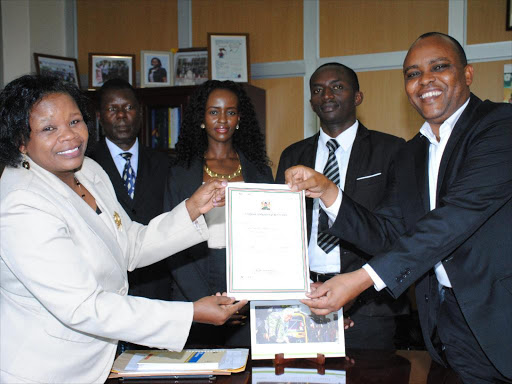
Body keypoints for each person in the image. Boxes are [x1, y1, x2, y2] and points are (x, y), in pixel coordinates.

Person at [286, 32, 512, 383]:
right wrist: (330, 193)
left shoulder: (500, 126)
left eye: (439, 67)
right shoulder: (410, 154)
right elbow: (388, 232)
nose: (425, 81)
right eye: (412, 73)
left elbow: (453, 219)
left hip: (500, 316)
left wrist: (360, 279)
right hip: (444, 321)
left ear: (467, 74)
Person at [0, 75, 247, 384]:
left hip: (99, 360)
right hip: (48, 370)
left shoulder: (87, 171)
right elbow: (83, 306)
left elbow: (130, 244)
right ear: (21, 140)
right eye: (49, 128)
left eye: (75, 121)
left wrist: (193, 208)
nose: (70, 137)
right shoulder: (21, 204)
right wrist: (189, 314)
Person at [275, 63, 408, 350]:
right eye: (317, 90)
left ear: (358, 96)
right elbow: (279, 236)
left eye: (337, 87)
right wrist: (302, 292)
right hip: (302, 304)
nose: (326, 95)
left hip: (369, 308)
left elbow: (395, 236)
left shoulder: (393, 151)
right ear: (311, 102)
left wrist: (350, 299)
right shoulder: (292, 155)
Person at [164, 80, 273, 347]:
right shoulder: (179, 173)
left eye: (230, 112)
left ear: (239, 118)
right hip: (193, 282)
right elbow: (169, 241)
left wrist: (245, 299)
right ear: (202, 118)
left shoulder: (260, 172)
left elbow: (269, 240)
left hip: (248, 285)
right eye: (214, 112)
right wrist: (205, 299)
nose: (222, 119)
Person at [89, 79, 171, 302]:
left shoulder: (166, 164)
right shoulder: (84, 165)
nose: (122, 116)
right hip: (105, 291)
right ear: (99, 116)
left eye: (128, 108)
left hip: (158, 288)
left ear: (140, 113)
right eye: (112, 109)